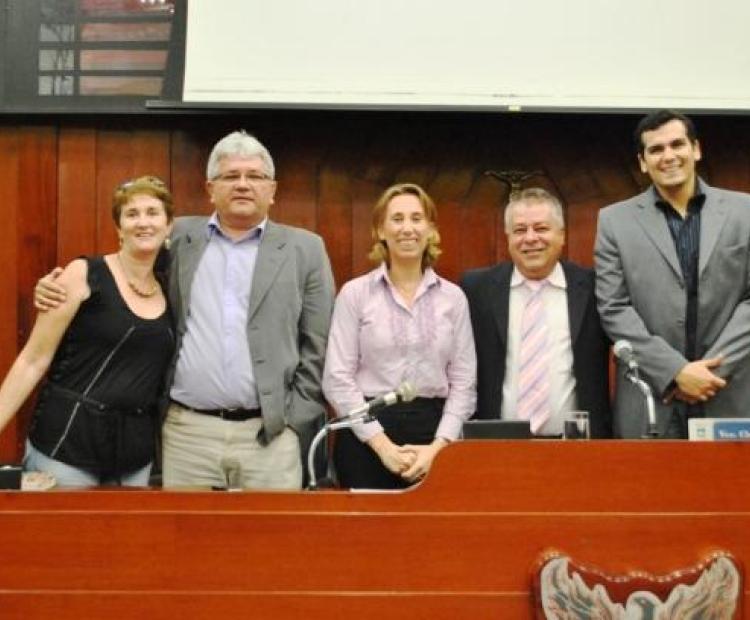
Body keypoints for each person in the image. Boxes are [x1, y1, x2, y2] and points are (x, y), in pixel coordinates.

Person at [35, 131, 336, 489]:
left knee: (271, 528)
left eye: (255, 176)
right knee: (182, 526)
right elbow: (125, 272)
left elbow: (318, 343)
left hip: (270, 435)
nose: (243, 184)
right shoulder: (176, 237)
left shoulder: (305, 249)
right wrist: (58, 285)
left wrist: (293, 421)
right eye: (231, 176)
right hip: (187, 434)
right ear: (210, 188)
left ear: (272, 190)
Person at [0, 176, 175, 487]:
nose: (143, 222)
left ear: (169, 225)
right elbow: (32, 361)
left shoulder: (170, 286)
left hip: (134, 456)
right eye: (132, 214)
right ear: (119, 228)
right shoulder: (82, 274)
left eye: (153, 212)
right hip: (68, 443)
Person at [595, 109, 750, 438]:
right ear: (643, 162)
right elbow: (614, 309)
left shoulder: (745, 212)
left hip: (730, 393)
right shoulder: (614, 222)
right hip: (651, 398)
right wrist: (675, 371)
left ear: (696, 149)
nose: (668, 156)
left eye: (677, 144)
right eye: (656, 149)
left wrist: (707, 374)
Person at [322, 183, 476, 489]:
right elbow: (337, 378)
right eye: (397, 219)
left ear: (430, 229)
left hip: (434, 433)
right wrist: (383, 447)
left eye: (417, 219)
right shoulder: (355, 294)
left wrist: (438, 449)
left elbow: (465, 383)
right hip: (366, 435)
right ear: (381, 230)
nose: (408, 228)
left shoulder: (453, 298)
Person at [460, 188, 611, 438]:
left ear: (562, 235)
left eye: (541, 228)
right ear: (508, 237)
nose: (530, 238)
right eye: (520, 230)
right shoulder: (477, 289)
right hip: (496, 444)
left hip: (578, 446)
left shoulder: (594, 288)